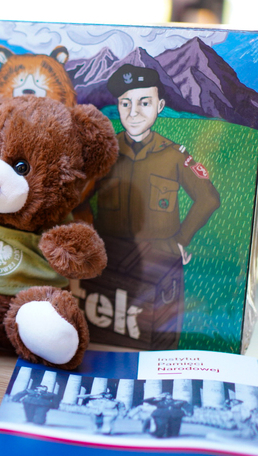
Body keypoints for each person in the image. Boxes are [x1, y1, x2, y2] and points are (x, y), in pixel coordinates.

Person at [92, 65, 220, 346]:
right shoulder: (107, 151)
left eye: (144, 102)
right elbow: (80, 195)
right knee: (106, 334)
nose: (134, 112)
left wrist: (181, 239)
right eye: (125, 103)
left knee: (160, 338)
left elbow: (209, 198)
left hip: (159, 261)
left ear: (160, 106)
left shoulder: (173, 155)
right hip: (109, 259)